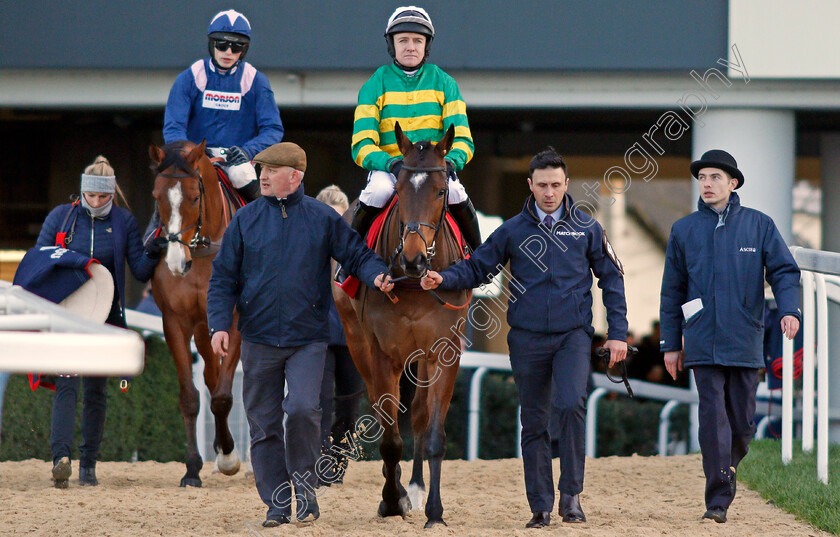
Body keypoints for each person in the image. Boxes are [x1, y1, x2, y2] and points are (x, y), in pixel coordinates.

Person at [421, 147, 628, 528]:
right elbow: (477, 269)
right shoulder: (512, 230)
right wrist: (443, 278)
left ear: (567, 185)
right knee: (533, 421)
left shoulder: (587, 228)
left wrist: (617, 334)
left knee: (569, 405)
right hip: (527, 338)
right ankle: (540, 506)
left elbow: (613, 278)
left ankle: (571, 496)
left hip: (573, 335)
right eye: (542, 185)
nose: (549, 192)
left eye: (556, 185)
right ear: (530, 185)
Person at [207, 143, 394, 527]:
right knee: (263, 425)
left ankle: (306, 490)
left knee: (305, 410)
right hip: (257, 338)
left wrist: (376, 273)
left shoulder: (323, 218)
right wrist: (218, 325)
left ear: (295, 176)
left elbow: (356, 254)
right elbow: (222, 278)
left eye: (271, 170)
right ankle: (277, 504)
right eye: (261, 169)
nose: (262, 175)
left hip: (308, 338)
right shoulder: (244, 221)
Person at [660, 149, 801, 523]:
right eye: (702, 177)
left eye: (715, 178)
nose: (707, 184)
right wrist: (671, 345)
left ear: (732, 183)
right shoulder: (684, 230)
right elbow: (671, 292)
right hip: (702, 341)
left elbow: (785, 271)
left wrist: (789, 310)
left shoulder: (759, 225)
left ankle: (729, 465)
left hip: (744, 339)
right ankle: (717, 500)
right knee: (713, 418)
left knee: (741, 423)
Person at [35, 156, 158, 488]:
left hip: (105, 317)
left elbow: (141, 270)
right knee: (66, 383)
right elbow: (38, 260)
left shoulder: (124, 222)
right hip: (68, 316)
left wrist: (157, 246)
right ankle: (61, 460)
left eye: (103, 197)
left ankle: (88, 466)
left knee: (96, 392)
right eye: (91, 195)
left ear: (112, 194)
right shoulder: (61, 216)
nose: (97, 202)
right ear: (82, 191)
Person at [349, 6, 481, 251]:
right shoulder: (373, 85)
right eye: (403, 40)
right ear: (392, 45)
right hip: (390, 170)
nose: (410, 46)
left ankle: (480, 262)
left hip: (434, 169)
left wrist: (450, 163)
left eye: (417, 41)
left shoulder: (445, 83)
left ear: (426, 46)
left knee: (456, 192)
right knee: (377, 191)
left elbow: (463, 139)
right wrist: (391, 164)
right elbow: (361, 144)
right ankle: (349, 259)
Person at [162, 9, 283, 204]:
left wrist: (248, 151)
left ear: (244, 49)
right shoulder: (189, 77)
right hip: (195, 160)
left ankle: (266, 223)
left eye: (236, 47)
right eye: (222, 44)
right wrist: (191, 151)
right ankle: (153, 233)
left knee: (241, 176)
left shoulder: (255, 80)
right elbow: (173, 127)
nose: (228, 52)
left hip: (237, 161)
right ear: (211, 44)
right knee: (167, 188)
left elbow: (273, 129)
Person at [314, 185, 365, 485]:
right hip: (319, 335)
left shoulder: (356, 248)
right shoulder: (310, 247)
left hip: (352, 337)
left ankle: (338, 464)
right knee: (319, 406)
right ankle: (318, 468)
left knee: (349, 408)